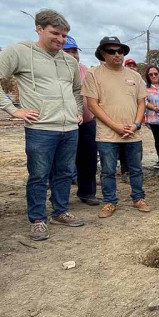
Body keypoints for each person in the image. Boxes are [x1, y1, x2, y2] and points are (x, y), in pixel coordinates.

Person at [0, 9, 84, 241]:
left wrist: (77, 111)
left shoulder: (69, 61)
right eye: (54, 33)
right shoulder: (19, 52)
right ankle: (38, 219)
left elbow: (76, 90)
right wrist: (13, 109)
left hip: (69, 128)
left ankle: (60, 211)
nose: (60, 39)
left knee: (65, 172)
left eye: (64, 35)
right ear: (39, 28)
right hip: (41, 129)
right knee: (38, 175)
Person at [82, 36, 150, 218]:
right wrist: (115, 126)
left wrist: (136, 125)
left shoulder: (134, 76)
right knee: (108, 170)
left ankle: (138, 198)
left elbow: (141, 103)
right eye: (111, 51)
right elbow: (92, 105)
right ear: (102, 53)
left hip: (132, 133)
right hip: (107, 134)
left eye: (120, 51)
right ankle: (110, 201)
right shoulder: (94, 74)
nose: (117, 54)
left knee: (136, 168)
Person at [63, 35, 99, 206]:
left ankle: (87, 193)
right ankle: (59, 196)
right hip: (63, 125)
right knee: (62, 162)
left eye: (74, 51)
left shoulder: (85, 70)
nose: (72, 54)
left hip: (86, 122)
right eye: (67, 51)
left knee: (88, 159)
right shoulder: (55, 70)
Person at [144, 65, 159, 168]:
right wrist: (154, 108)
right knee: (158, 139)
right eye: (151, 74)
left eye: (155, 73)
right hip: (153, 119)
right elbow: (144, 101)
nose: (153, 76)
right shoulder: (146, 89)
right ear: (148, 76)